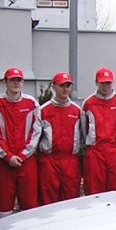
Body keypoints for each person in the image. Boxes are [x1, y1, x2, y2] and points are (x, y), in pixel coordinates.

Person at [0, 67, 42, 220]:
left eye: (19, 80)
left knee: (29, 205)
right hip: (4, 163)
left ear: (23, 82)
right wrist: (8, 156)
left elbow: (36, 132)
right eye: (12, 80)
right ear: (5, 82)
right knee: (3, 205)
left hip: (26, 162)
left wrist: (22, 155)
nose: (16, 83)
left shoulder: (32, 103)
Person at [82, 67, 116, 193]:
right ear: (96, 83)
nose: (105, 86)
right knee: (94, 191)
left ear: (112, 83)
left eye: (108, 83)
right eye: (102, 83)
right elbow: (83, 129)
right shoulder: (88, 103)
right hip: (96, 153)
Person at [37, 72, 83, 204]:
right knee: (48, 200)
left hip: (70, 161)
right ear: (54, 86)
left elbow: (83, 133)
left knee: (70, 199)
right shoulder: (43, 110)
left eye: (68, 86)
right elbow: (36, 137)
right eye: (62, 85)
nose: (65, 89)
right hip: (49, 162)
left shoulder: (77, 111)